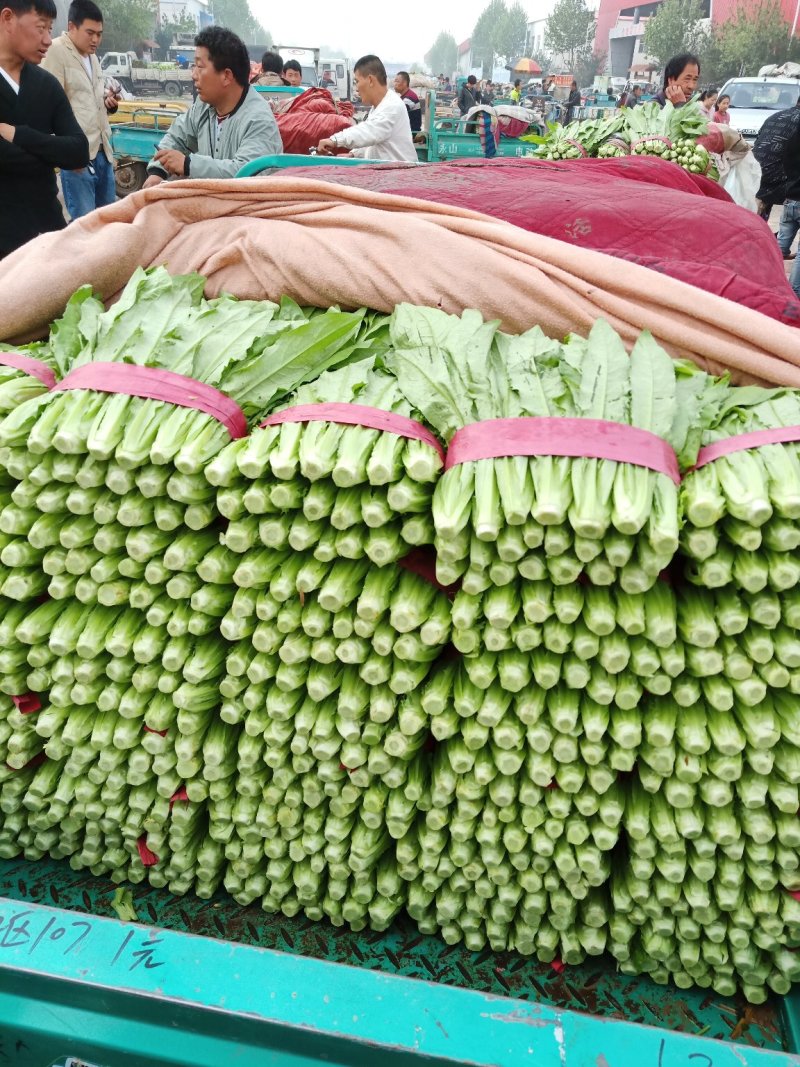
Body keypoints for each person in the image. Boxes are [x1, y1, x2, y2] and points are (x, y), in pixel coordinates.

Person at [0, 0, 88, 257]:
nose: (48, 39)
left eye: (50, 29)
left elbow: (79, 150)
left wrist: (19, 135)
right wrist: (50, 155)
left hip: (47, 235)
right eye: (41, 28)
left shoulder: (46, 85)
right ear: (8, 19)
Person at [144, 26, 281, 187]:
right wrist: (157, 172)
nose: (193, 75)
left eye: (200, 67)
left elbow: (247, 173)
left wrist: (189, 165)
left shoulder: (258, 119)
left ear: (226, 76)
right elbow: (176, 137)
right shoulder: (203, 106)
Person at [40, 0, 116, 220]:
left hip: (103, 152)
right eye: (90, 33)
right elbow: (49, 106)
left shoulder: (92, 57)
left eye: (99, 34)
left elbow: (92, 100)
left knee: (108, 223)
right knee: (85, 226)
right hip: (77, 158)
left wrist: (110, 103)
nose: (95, 40)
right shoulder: (56, 51)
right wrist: (66, 155)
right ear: (72, 26)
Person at [316, 54, 416, 163]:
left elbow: (368, 132)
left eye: (357, 81)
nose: (356, 88)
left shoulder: (392, 106)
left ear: (370, 80)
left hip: (401, 176)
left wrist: (335, 140)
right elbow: (374, 142)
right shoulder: (378, 107)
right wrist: (353, 154)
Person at [753, 99, 800, 288]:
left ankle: (763, 281)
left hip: (758, 178)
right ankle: (794, 293)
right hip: (784, 185)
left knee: (773, 238)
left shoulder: (776, 115)